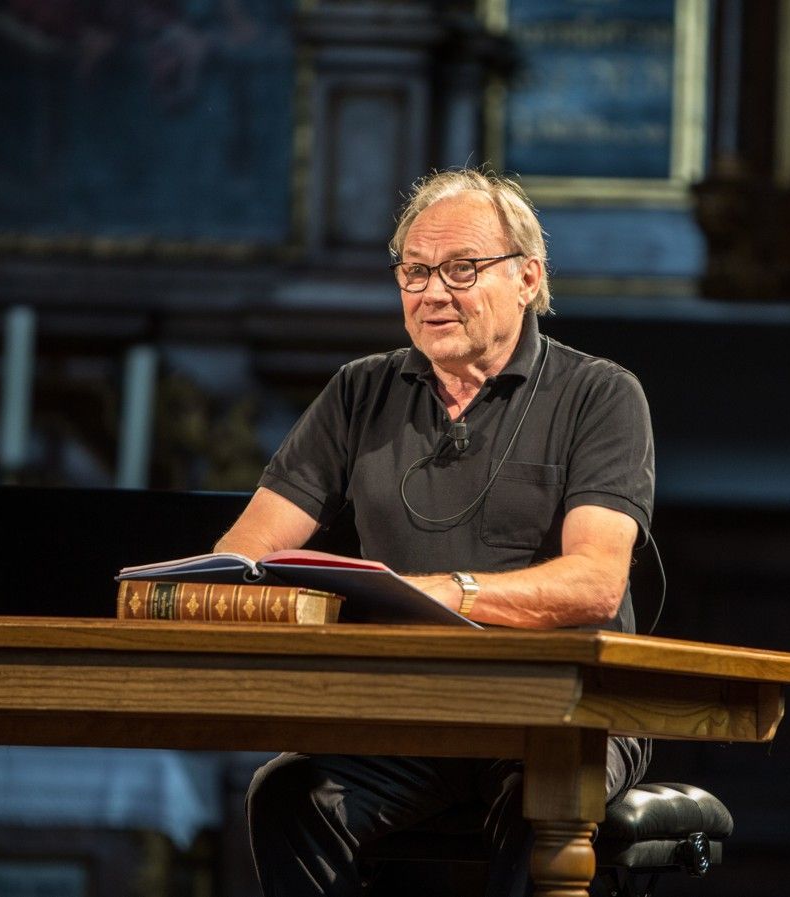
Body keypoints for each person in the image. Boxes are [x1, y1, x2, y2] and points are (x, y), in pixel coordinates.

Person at [215, 168, 654, 897]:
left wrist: (444, 593)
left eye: (461, 269)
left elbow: (595, 583)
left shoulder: (600, 394)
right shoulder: (360, 390)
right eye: (414, 271)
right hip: (418, 710)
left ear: (527, 277)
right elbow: (244, 553)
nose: (432, 293)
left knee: (536, 797)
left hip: (567, 709)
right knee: (289, 794)